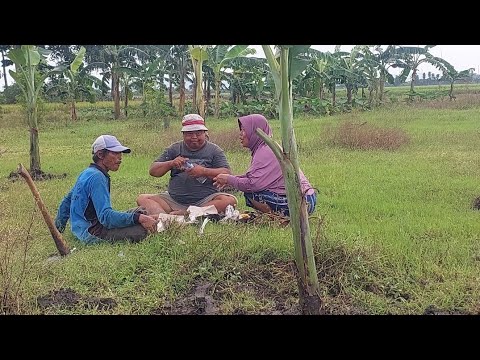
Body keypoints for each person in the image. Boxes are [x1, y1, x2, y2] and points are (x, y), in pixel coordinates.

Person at [54, 135, 158, 244]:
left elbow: (66, 202)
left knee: (141, 211)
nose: (120, 157)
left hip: (80, 229)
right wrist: (140, 219)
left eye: (120, 153)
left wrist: (58, 229)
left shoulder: (87, 173)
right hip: (92, 232)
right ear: (100, 154)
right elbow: (106, 217)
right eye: (115, 153)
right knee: (141, 231)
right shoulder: (97, 178)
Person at [213, 114, 316, 217]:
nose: (241, 134)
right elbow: (252, 177)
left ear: (255, 132)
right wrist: (231, 178)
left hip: (301, 202)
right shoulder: (265, 147)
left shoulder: (264, 151)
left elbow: (253, 184)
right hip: (307, 198)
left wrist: (229, 180)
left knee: (252, 194)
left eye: (244, 130)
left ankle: (278, 219)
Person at [136, 114, 237, 215]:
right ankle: (166, 217)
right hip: (173, 200)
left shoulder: (214, 150)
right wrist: (171, 163)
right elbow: (153, 171)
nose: (194, 137)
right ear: (183, 134)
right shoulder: (174, 148)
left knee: (229, 201)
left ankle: (187, 213)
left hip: (205, 201)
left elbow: (227, 173)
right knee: (143, 199)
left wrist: (203, 171)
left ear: (205, 133)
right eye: (189, 134)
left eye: (198, 133)